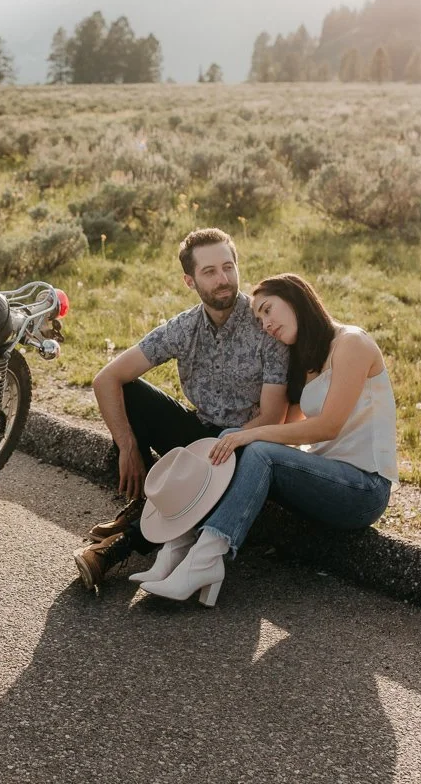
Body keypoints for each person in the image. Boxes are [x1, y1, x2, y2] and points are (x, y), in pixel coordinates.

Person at [137, 272, 398, 604]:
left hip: (364, 490)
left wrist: (253, 436)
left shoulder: (352, 344)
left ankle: (205, 561)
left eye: (268, 310)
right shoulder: (305, 362)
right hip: (321, 481)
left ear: (295, 298)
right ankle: (178, 547)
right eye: (259, 318)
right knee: (236, 438)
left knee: (257, 448)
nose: (265, 324)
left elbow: (327, 427)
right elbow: (285, 432)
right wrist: (236, 438)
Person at [74, 228, 289, 589]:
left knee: (207, 460)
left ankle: (116, 550)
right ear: (189, 281)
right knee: (128, 392)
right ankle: (143, 501)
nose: (223, 279)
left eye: (228, 267)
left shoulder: (264, 324)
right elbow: (106, 379)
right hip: (200, 432)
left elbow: (274, 417)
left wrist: (225, 444)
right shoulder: (183, 328)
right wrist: (128, 447)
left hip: (248, 446)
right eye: (209, 272)